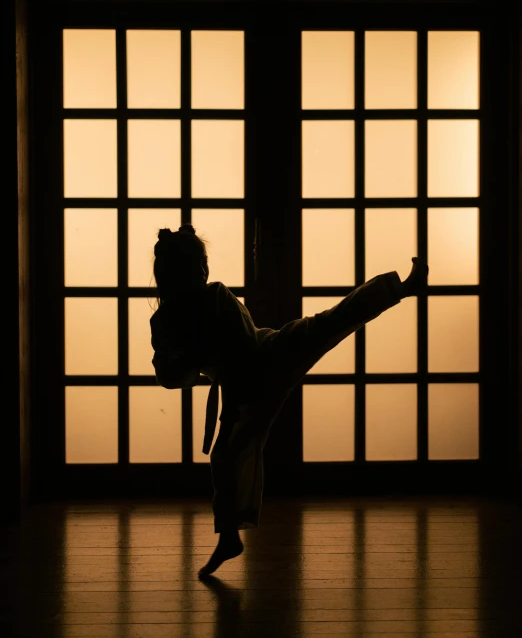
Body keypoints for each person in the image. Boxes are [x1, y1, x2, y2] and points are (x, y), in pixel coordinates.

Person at [150, 223, 429, 578]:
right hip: (250, 378)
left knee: (331, 322)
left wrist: (203, 373)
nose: (204, 271)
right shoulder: (164, 320)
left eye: (205, 263)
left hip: (265, 358)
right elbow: (169, 377)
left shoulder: (212, 298)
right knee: (225, 458)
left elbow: (240, 349)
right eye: (196, 264)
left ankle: (402, 287)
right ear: (176, 272)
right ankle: (229, 536)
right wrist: (197, 371)